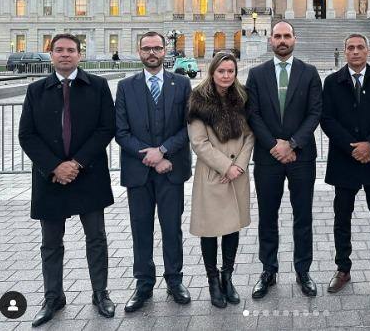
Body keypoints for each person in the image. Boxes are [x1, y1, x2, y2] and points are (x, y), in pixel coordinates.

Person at [19, 33, 116, 326]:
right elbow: (27, 135)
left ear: (79, 54)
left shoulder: (97, 86)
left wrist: (76, 163)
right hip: (50, 177)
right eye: (59, 50)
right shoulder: (36, 90)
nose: (65, 55)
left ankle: (101, 293)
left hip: (88, 174)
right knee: (50, 243)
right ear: (51, 55)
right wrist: (55, 167)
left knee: (96, 238)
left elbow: (106, 128)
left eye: (70, 50)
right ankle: (53, 297)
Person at [115, 31, 192, 312]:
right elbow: (121, 131)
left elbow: (189, 126)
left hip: (171, 169)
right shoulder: (126, 86)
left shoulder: (182, 84)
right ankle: (143, 284)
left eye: (157, 48)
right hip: (139, 172)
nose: (152, 53)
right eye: (147, 48)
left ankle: (175, 281)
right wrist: (151, 156)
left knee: (172, 229)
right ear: (139, 52)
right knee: (141, 230)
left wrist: (164, 151)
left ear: (165, 51)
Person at [321, 34, 370, 293]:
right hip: (345, 161)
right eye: (350, 48)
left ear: (368, 51)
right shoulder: (332, 82)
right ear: (344, 52)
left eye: (360, 47)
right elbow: (327, 119)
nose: (355, 52)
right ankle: (343, 268)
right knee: (342, 217)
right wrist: (352, 147)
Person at [246, 21, 322, 298]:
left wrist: (291, 144)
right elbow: (252, 114)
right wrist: (273, 145)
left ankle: (303, 270)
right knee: (268, 216)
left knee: (303, 216)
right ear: (270, 40)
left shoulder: (310, 72)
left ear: (295, 39)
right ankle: (268, 269)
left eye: (286, 36)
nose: (282, 40)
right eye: (277, 36)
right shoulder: (256, 74)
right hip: (268, 158)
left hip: (301, 156)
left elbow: (315, 113)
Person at [187, 51, 254, 308]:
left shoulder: (243, 97)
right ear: (212, 72)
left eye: (231, 71)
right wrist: (226, 166)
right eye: (221, 71)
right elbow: (199, 143)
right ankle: (213, 281)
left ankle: (228, 278)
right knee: (210, 230)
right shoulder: (198, 99)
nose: (226, 76)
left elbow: (250, 136)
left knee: (231, 227)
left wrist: (239, 165)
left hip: (237, 173)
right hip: (212, 174)